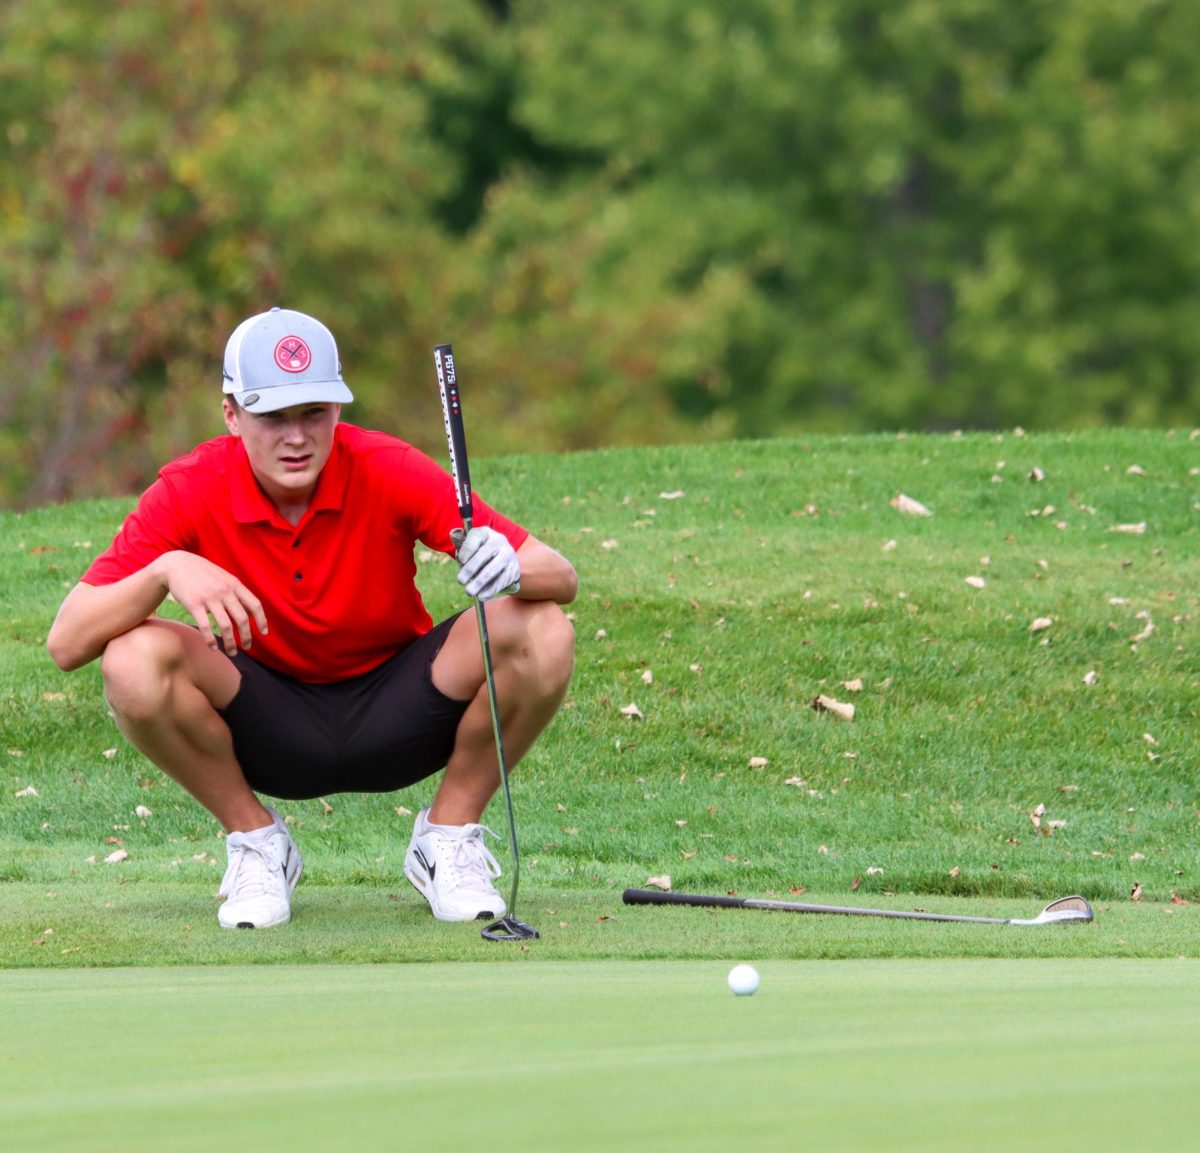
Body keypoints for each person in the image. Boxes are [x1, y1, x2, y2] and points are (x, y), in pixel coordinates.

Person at [47, 307, 577, 930]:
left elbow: (559, 575)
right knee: (131, 657)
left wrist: (511, 568)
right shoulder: (191, 487)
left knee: (541, 629)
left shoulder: (388, 466)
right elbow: (68, 641)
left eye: (313, 414)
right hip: (265, 718)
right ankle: (257, 845)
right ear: (231, 414)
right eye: (272, 417)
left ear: (337, 412)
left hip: (401, 708)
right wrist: (166, 570)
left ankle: (449, 839)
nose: (295, 438)